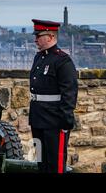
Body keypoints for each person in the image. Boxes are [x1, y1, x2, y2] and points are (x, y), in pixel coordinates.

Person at [29, 19, 78, 173]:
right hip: (38, 119)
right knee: (41, 162)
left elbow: (69, 93)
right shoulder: (39, 58)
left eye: (39, 35)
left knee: (55, 164)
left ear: (50, 37)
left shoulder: (62, 61)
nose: (35, 39)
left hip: (54, 121)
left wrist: (65, 122)